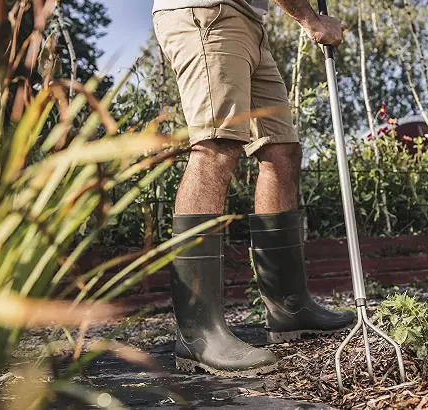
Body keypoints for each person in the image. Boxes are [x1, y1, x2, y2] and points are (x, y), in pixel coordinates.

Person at [152, 0, 356, 376]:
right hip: (207, 12)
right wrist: (311, 19)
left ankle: (289, 309)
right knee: (217, 146)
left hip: (249, 20)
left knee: (282, 150)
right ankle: (198, 333)